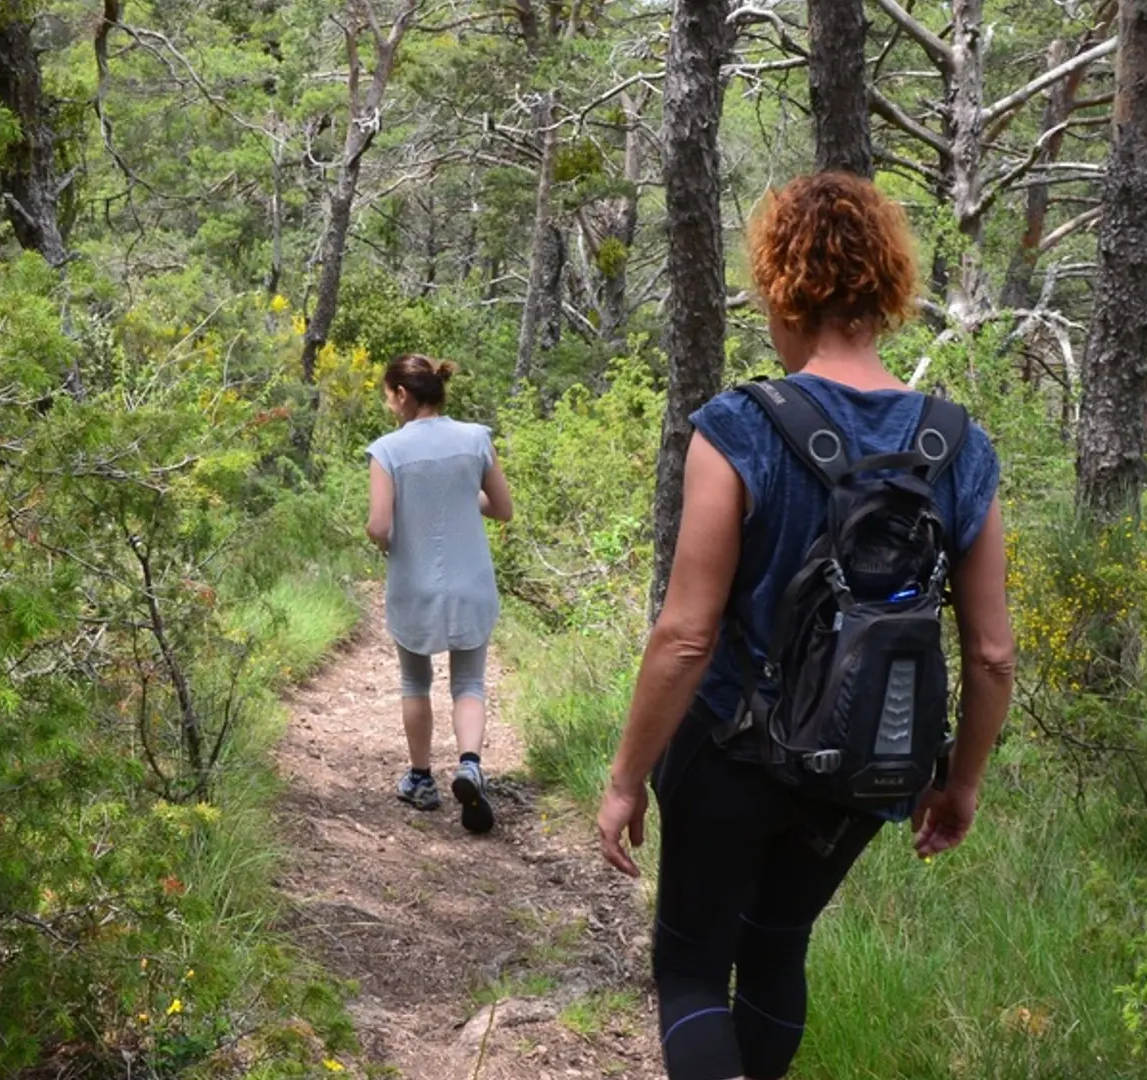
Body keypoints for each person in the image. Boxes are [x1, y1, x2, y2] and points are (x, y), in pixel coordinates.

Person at [594, 173, 1016, 1079]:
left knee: (695, 967)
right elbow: (991, 652)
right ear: (887, 288)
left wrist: (626, 777)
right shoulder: (959, 445)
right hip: (869, 762)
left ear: (782, 286)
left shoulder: (741, 426)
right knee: (778, 949)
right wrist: (961, 782)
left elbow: (684, 636)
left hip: (729, 755)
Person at [366, 354, 515, 834]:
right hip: (472, 582)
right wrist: (459, 496)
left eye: (390, 397)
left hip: (415, 584)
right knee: (468, 683)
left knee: (416, 682)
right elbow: (502, 508)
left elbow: (379, 525)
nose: (391, 406)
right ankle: (470, 765)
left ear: (403, 395)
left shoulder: (387, 450)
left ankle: (422, 779)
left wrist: (387, 537)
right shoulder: (476, 439)